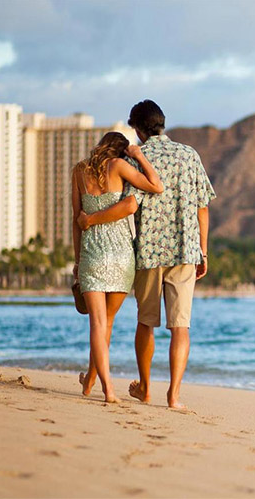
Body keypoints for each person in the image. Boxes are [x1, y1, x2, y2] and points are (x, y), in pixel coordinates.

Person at [77, 100, 216, 409]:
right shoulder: (189, 154)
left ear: (137, 129)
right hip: (184, 250)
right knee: (181, 326)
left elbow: (128, 204)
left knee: (146, 323)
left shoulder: (137, 158)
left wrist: (90, 220)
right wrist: (203, 251)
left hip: (148, 252)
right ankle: (174, 395)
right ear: (161, 123)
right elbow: (202, 206)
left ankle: (147, 388)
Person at [72, 131, 163, 403]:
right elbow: (156, 186)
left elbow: (77, 221)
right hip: (122, 255)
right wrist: (138, 156)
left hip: (92, 254)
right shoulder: (120, 166)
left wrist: (78, 261)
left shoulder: (79, 171)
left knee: (98, 325)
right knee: (106, 324)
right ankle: (96, 383)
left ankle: (102, 386)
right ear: (121, 151)